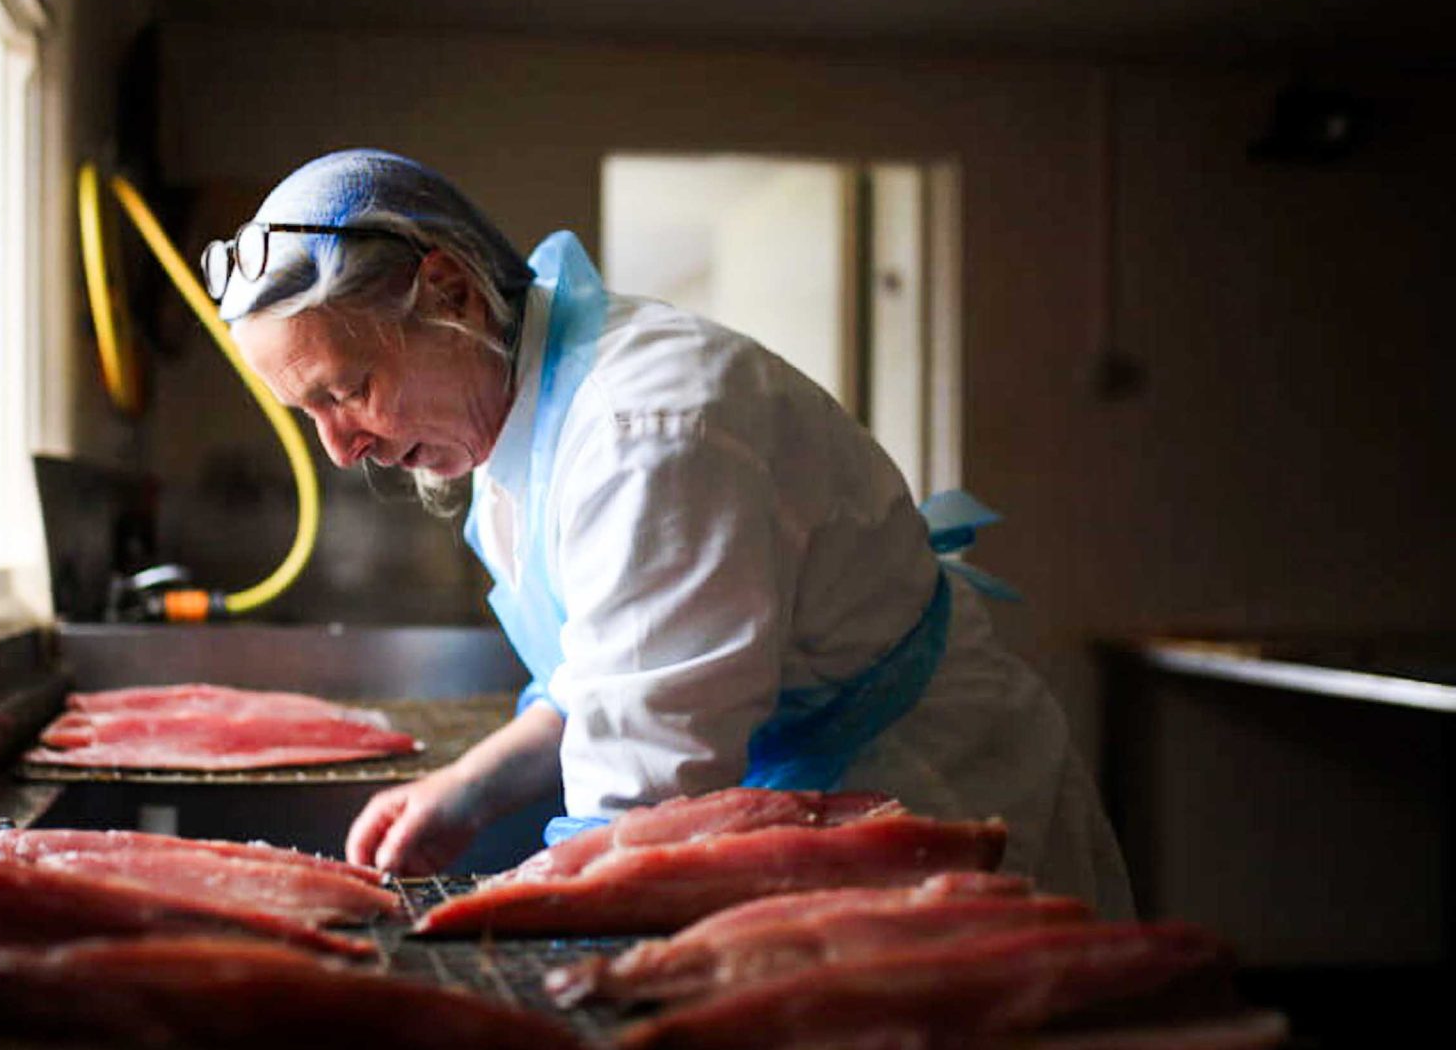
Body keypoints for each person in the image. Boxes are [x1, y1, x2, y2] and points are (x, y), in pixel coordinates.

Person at [211, 149, 1133, 916]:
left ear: (449, 292)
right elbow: (613, 670)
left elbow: (639, 807)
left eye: (348, 390)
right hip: (807, 806)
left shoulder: (643, 433)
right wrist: (472, 787)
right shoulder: (515, 416)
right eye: (309, 413)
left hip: (933, 805)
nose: (341, 449)